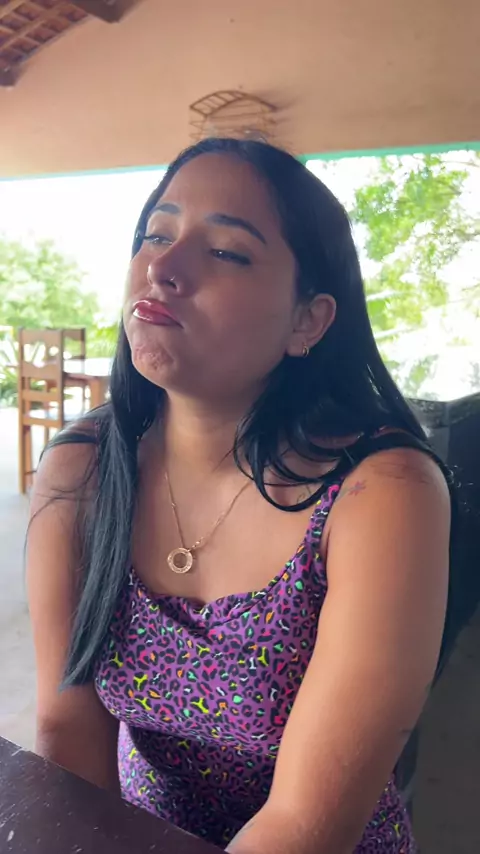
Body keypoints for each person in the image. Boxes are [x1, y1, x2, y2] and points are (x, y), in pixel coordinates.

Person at [27, 138, 452, 854]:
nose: (162, 267)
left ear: (307, 321)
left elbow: (305, 827)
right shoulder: (84, 471)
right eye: (155, 235)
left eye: (226, 251)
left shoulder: (381, 493)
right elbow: (68, 732)